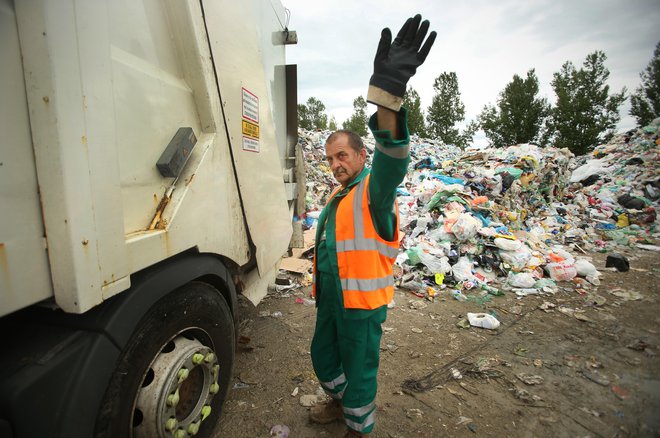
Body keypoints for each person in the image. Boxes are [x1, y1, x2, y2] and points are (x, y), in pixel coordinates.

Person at [308, 14, 436, 437]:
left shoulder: (373, 189)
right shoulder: (337, 194)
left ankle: (358, 427)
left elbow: (394, 157)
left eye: (342, 155)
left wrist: (387, 97)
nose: (335, 165)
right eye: (329, 159)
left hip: (361, 305)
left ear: (362, 156)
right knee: (323, 355)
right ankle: (338, 401)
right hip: (332, 296)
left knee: (360, 368)